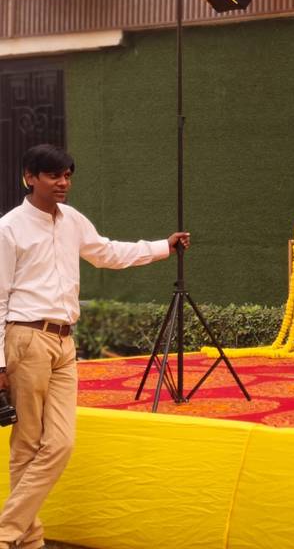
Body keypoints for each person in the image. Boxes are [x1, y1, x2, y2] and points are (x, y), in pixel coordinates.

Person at [0, 144, 190, 549]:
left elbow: (106, 252)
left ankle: (6, 531)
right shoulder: (9, 228)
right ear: (29, 177)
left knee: (61, 442)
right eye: (53, 175)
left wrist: (162, 247)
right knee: (27, 444)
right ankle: (26, 539)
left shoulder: (72, 221)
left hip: (65, 342)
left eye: (67, 175)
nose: (63, 183)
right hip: (25, 338)